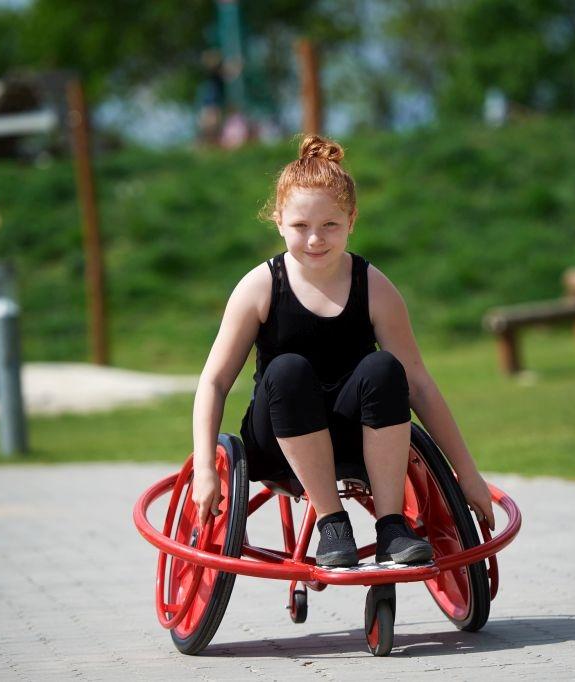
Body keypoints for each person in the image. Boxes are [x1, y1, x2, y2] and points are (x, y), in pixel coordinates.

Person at [191, 134, 496, 567]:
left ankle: (392, 526)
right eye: (300, 226)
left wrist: (467, 474)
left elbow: (420, 386)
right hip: (278, 441)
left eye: (330, 225)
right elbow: (215, 381)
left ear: (351, 221)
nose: (315, 239)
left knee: (385, 367)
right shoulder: (260, 286)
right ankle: (332, 523)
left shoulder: (373, 285)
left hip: (357, 438)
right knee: (288, 370)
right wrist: (205, 468)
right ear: (278, 221)